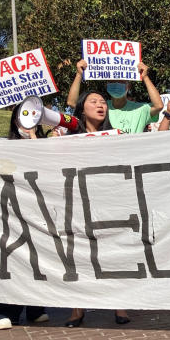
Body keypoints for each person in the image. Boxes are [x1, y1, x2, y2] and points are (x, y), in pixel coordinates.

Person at [0, 90, 50, 329]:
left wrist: (32, 135)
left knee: (36, 260)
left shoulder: (43, 142)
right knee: (9, 259)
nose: (26, 120)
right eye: (23, 115)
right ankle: (5, 310)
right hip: (8, 210)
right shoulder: (2, 143)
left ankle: (35, 309)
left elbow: (43, 159)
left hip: (36, 212)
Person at [64, 91, 131, 327]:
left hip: (107, 200)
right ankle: (77, 309)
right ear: (82, 109)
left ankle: (120, 305)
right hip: (78, 200)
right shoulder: (67, 135)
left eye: (103, 102)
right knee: (77, 253)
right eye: (93, 102)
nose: (100, 105)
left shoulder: (116, 136)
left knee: (113, 252)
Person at [66, 59, 163, 134]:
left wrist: (145, 77)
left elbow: (159, 105)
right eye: (112, 81)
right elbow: (72, 103)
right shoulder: (102, 108)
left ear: (128, 86)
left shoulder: (140, 109)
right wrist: (79, 74)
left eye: (121, 81)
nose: (116, 83)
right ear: (107, 85)